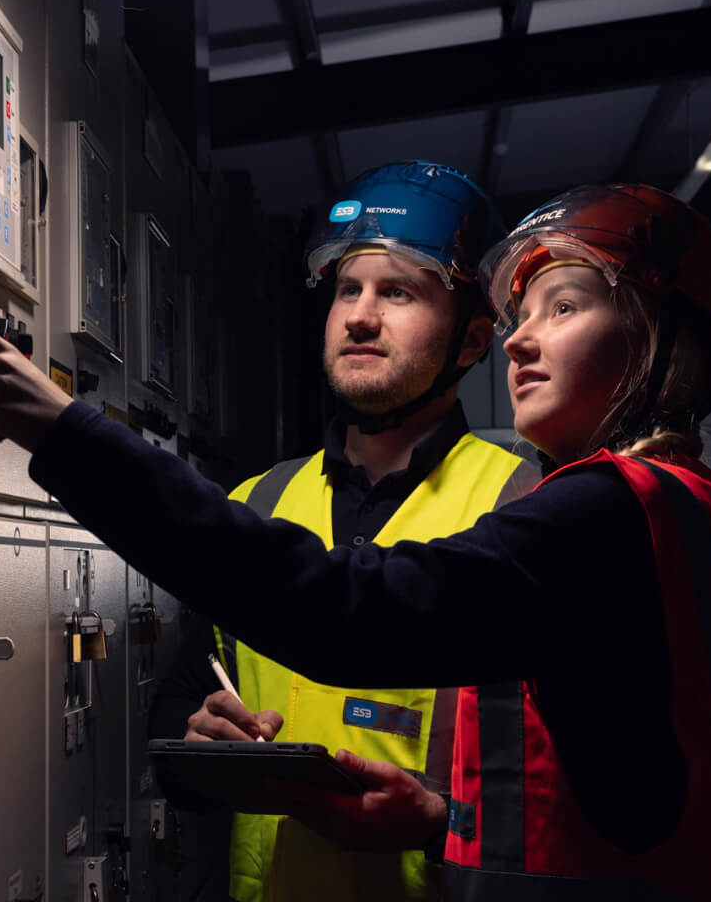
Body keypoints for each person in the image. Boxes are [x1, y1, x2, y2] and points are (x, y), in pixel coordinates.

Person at [0, 182, 711, 901]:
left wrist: (72, 433)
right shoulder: (674, 503)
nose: (524, 339)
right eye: (346, 289)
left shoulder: (595, 509)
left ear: (655, 343)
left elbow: (341, 612)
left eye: (562, 306)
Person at [148, 161, 532, 902]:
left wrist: (439, 822)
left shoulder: (524, 504)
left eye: (398, 292)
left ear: (474, 339)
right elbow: (186, 692)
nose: (358, 315)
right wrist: (196, 743)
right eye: (347, 289)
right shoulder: (257, 501)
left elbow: (577, 779)